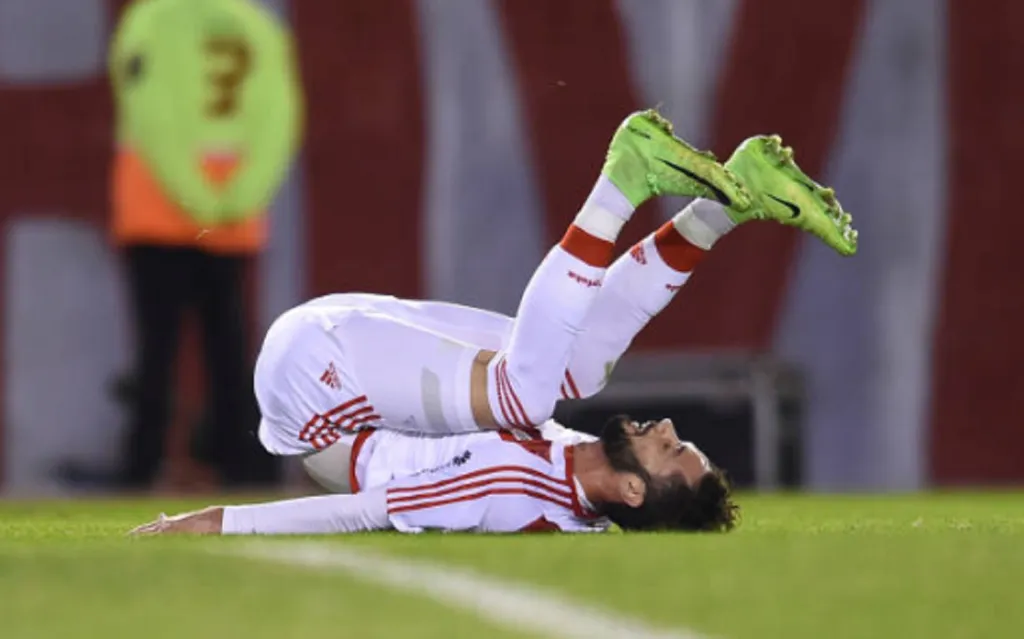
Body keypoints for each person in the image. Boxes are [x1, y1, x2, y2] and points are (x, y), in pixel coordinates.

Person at [131, 109, 856, 535]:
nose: (667, 429)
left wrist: (211, 521)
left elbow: (365, 511)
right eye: (681, 438)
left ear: (633, 492)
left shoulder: (513, 488)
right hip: (361, 360)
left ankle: (624, 179)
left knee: (531, 394)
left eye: (671, 451)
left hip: (318, 398)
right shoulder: (580, 484)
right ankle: (729, 203)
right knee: (573, 369)